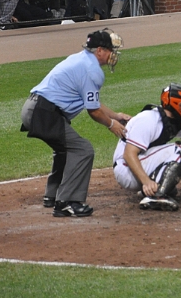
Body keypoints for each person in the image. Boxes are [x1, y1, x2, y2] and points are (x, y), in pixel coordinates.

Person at [20, 29, 130, 217]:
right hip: (44, 113)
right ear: (100, 50)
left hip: (35, 108)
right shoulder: (92, 70)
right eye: (111, 50)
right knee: (82, 150)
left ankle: (52, 195)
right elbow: (93, 112)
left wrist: (116, 115)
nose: (114, 55)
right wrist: (112, 125)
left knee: (65, 149)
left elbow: (93, 102)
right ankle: (67, 203)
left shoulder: (82, 59)